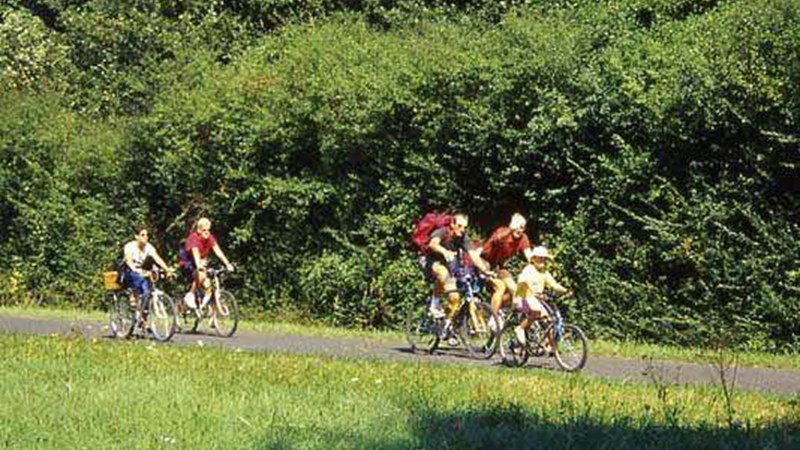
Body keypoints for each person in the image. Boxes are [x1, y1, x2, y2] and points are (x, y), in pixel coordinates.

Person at [424, 213, 489, 331]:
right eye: (459, 226)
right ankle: (434, 305)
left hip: (449, 265)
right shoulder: (443, 231)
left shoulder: (463, 238)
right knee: (443, 273)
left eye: (465, 227)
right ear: (452, 224)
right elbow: (433, 244)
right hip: (432, 261)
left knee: (455, 298)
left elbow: (474, 256)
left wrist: (485, 271)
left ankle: (446, 327)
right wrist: (445, 252)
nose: (462, 229)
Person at [478, 213, 534, 327]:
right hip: (484, 263)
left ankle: (498, 308)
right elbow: (496, 239)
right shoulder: (503, 232)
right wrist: (510, 230)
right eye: (520, 226)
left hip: (499, 266)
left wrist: (537, 269)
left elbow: (530, 257)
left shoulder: (523, 238)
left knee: (515, 291)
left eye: (524, 227)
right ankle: (493, 318)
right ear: (513, 225)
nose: (522, 230)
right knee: (501, 287)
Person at [512, 245, 572, 346]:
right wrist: (532, 291)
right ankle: (520, 328)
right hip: (522, 298)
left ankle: (550, 346)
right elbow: (522, 282)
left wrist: (566, 291)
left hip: (535, 300)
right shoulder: (528, 270)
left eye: (544, 259)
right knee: (536, 311)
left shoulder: (544, 273)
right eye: (540, 258)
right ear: (533, 259)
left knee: (548, 320)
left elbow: (554, 284)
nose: (542, 261)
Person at [121, 225, 174, 328]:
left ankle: (144, 318)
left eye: (147, 235)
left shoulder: (149, 247)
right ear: (136, 236)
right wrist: (138, 271)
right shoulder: (129, 246)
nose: (145, 237)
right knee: (137, 278)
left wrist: (167, 269)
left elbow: (157, 258)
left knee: (147, 292)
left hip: (143, 273)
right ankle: (133, 297)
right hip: (129, 272)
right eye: (142, 235)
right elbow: (129, 261)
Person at [178, 217, 234, 309]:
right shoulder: (194, 238)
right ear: (199, 230)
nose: (207, 232)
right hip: (187, 263)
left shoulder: (209, 237)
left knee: (208, 284)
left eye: (208, 230)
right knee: (201, 274)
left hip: (200, 261)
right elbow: (195, 254)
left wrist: (227, 264)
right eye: (204, 230)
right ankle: (190, 295)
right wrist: (199, 264)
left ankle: (204, 306)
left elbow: (218, 252)